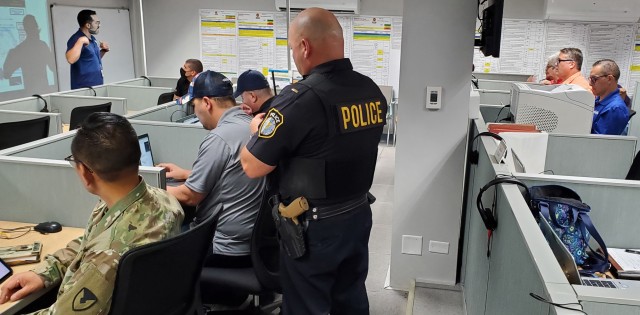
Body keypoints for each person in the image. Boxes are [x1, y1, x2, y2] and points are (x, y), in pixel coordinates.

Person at [240, 8, 388, 315]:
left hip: (313, 227)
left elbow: (253, 166)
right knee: (350, 300)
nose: (295, 55)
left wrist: (256, 129)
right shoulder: (371, 91)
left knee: (306, 306)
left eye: (293, 48)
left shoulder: (300, 99)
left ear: (305, 47)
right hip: (357, 214)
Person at [0, 112, 184, 314]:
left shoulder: (105, 259)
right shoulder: (163, 199)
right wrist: (46, 272)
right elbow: (88, 242)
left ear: (86, 173)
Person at [158, 70, 265, 268]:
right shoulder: (249, 124)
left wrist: (152, 185)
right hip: (253, 243)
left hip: (222, 246)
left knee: (157, 249)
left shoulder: (220, 138)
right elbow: (235, 173)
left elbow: (191, 196)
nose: (195, 112)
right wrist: (187, 174)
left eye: (194, 105)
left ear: (207, 102)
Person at [3, 15, 56, 92]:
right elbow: (53, 67)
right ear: (36, 27)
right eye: (35, 26)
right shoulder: (42, 46)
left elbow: (6, 74)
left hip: (33, 94)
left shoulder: (19, 49)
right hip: (42, 93)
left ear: (25, 29)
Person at [66, 10, 109, 89]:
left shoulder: (92, 38)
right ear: (88, 25)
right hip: (84, 89)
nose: (99, 25)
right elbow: (70, 59)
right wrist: (81, 41)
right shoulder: (76, 38)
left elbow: (91, 58)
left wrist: (103, 51)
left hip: (97, 86)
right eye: (97, 23)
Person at [589, 59, 630, 135]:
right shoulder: (598, 100)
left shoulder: (616, 108)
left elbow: (599, 143)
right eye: (590, 79)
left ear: (609, 79)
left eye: (594, 79)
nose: (590, 83)